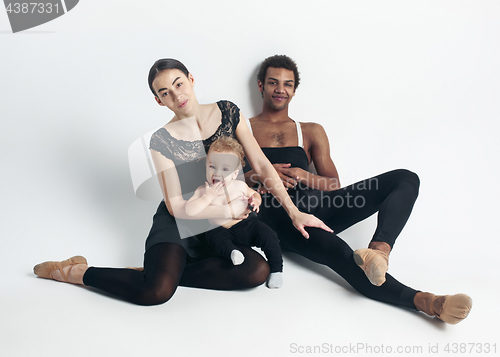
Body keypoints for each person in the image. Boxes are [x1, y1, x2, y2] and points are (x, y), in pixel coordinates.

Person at [33, 58, 330, 305]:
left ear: (191, 79)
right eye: (165, 93)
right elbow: (176, 206)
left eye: (178, 84)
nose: (176, 96)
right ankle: (74, 272)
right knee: (156, 292)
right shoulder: (160, 140)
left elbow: (262, 164)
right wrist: (225, 212)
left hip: (219, 226)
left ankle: (165, 271)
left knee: (256, 271)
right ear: (158, 100)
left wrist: (294, 212)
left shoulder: (228, 111)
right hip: (182, 219)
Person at [243, 54, 472, 324]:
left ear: (294, 90)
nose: (280, 89)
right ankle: (428, 302)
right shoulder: (243, 128)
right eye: (273, 82)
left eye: (287, 84)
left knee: (405, 178)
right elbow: (223, 180)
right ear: (261, 86)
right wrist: (258, 175)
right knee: (340, 253)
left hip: (320, 207)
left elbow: (332, 184)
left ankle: (379, 251)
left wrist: (303, 174)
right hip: (280, 218)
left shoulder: (311, 131)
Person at [186, 137, 283, 288]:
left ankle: (277, 270)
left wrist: (256, 201)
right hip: (222, 230)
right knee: (214, 236)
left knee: (270, 236)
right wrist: (207, 197)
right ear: (206, 166)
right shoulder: (202, 190)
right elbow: (190, 210)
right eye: (212, 167)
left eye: (225, 169)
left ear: (234, 173)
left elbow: (255, 194)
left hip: (247, 225)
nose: (217, 173)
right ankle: (232, 253)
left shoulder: (240, 185)